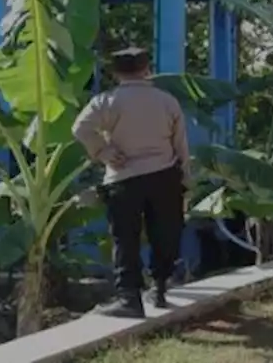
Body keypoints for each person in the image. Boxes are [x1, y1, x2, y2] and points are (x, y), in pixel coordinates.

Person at [73, 46, 191, 318]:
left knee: (125, 239)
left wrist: (103, 152)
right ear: (146, 69)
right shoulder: (167, 100)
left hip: (123, 178)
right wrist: (185, 176)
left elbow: (80, 127)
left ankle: (129, 299)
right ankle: (159, 288)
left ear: (115, 73)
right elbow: (181, 144)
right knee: (164, 232)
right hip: (164, 175)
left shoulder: (106, 101)